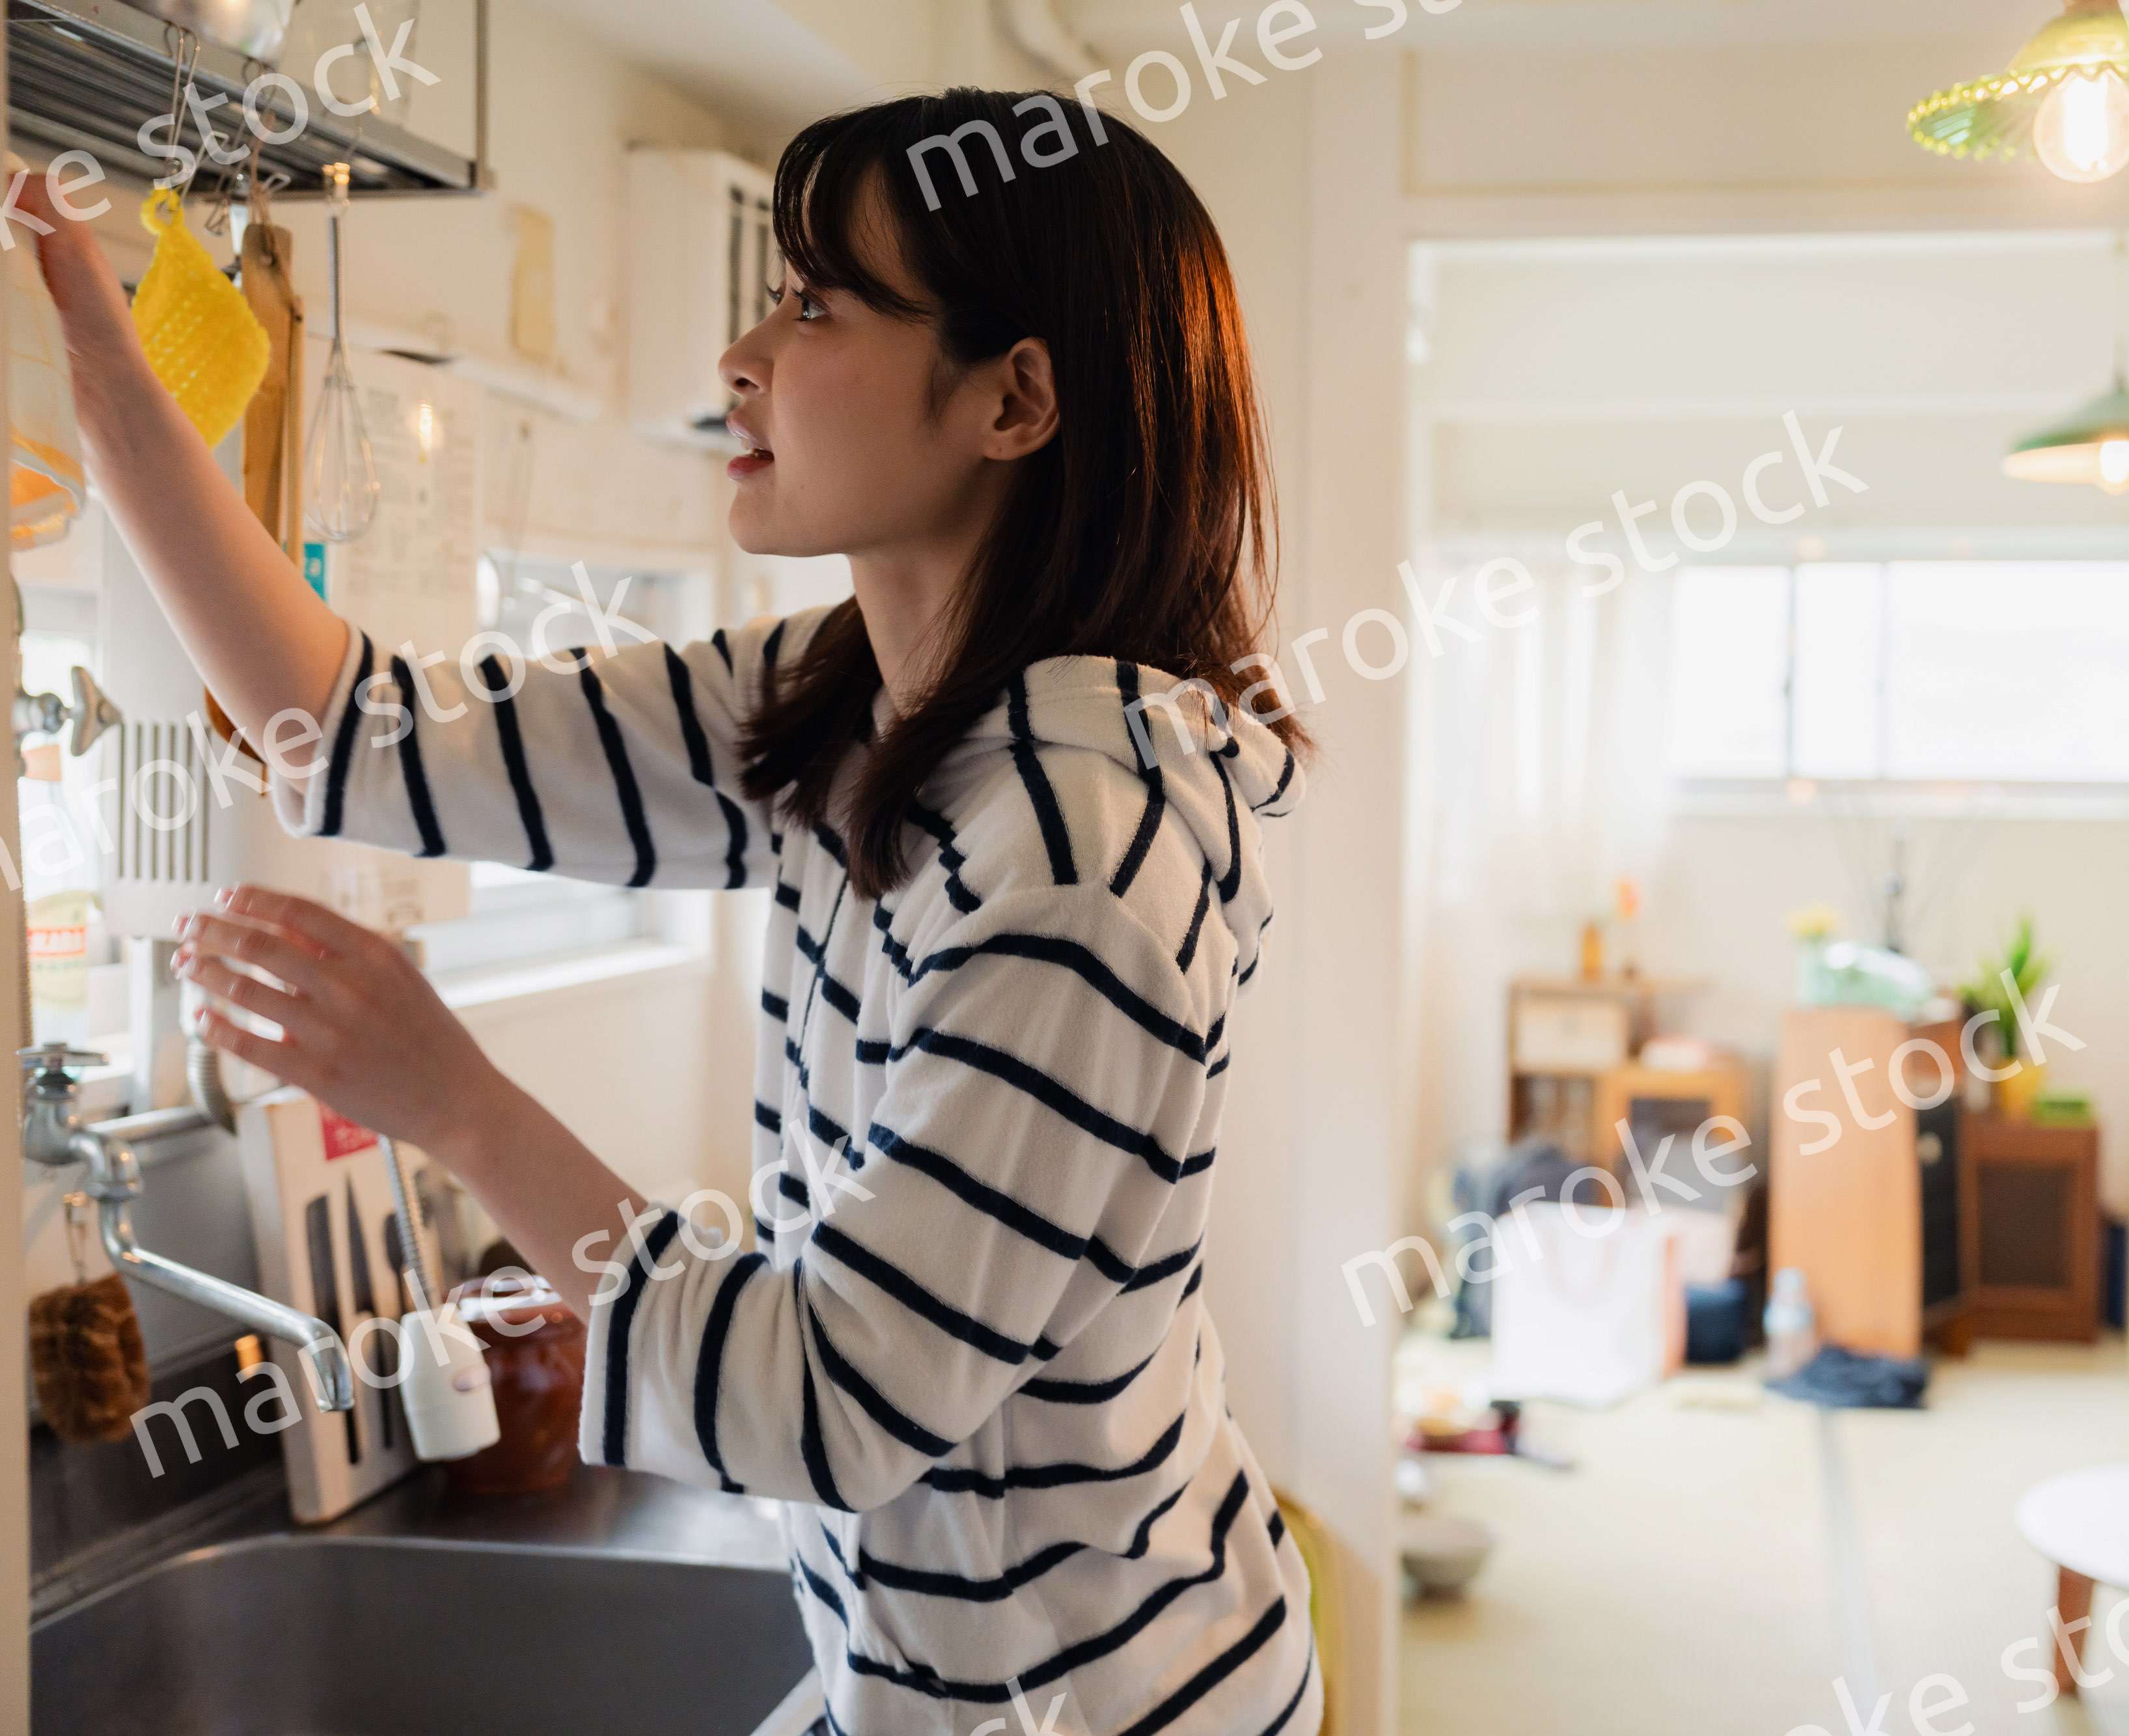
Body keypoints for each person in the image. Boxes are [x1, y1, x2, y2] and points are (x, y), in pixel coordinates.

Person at [25, 90, 1319, 1736]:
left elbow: (828, 1403)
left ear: (1015, 397)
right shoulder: (848, 699)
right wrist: (108, 379)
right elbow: (345, 739)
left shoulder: (1083, 852)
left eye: (815, 301)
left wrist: (455, 1103)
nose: (742, 355)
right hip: (915, 1679)